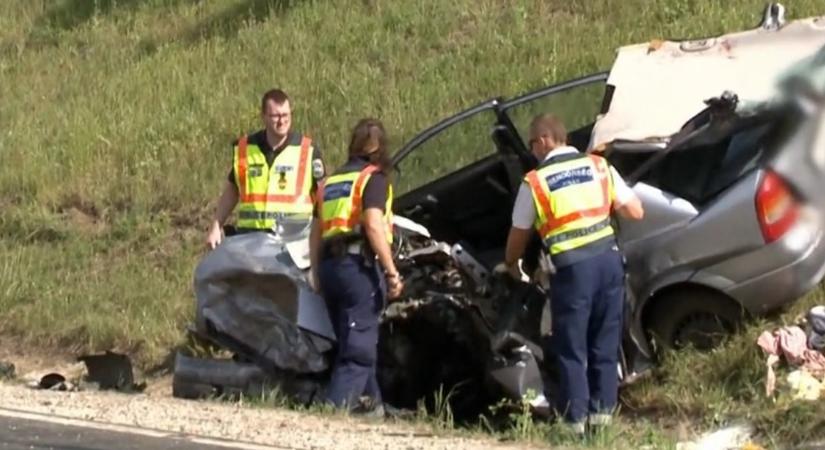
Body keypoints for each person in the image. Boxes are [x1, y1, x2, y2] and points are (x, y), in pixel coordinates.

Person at [501, 113, 644, 434]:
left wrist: (510, 263)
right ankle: (602, 423)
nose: (532, 151)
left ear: (542, 141)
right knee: (605, 344)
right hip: (608, 264)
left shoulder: (535, 182)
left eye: (532, 144)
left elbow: (518, 235)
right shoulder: (599, 166)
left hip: (573, 270)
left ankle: (574, 426)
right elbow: (636, 211)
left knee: (572, 348)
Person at [308, 118, 404, 413]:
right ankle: (331, 414)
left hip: (330, 267)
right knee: (357, 352)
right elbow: (374, 225)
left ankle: (373, 408)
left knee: (354, 342)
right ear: (381, 150)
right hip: (356, 269)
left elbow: (315, 229)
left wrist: (314, 272)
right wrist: (391, 271)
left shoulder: (333, 181)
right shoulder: (373, 178)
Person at [205, 88, 325, 248]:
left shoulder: (307, 150)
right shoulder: (245, 148)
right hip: (250, 241)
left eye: (286, 115)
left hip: (293, 243)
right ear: (263, 117)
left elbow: (323, 195)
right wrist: (216, 226)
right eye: (275, 116)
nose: (282, 121)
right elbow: (232, 190)